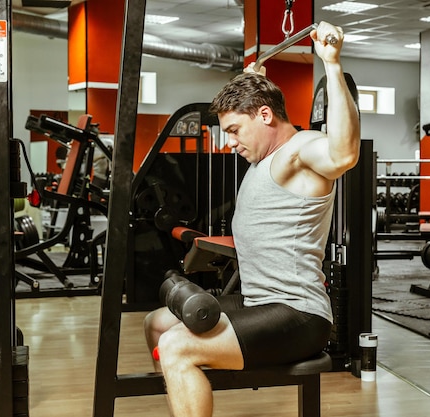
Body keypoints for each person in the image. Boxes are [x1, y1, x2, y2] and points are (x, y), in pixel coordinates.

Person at [143, 21, 360, 417]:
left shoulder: (299, 151)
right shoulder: (263, 155)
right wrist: (250, 79)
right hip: (258, 301)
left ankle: (185, 370)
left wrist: (330, 63)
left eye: (234, 130)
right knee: (157, 324)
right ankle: (185, 398)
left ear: (264, 115)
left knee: (177, 346)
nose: (230, 141)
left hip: (298, 314)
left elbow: (343, 155)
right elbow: (248, 105)